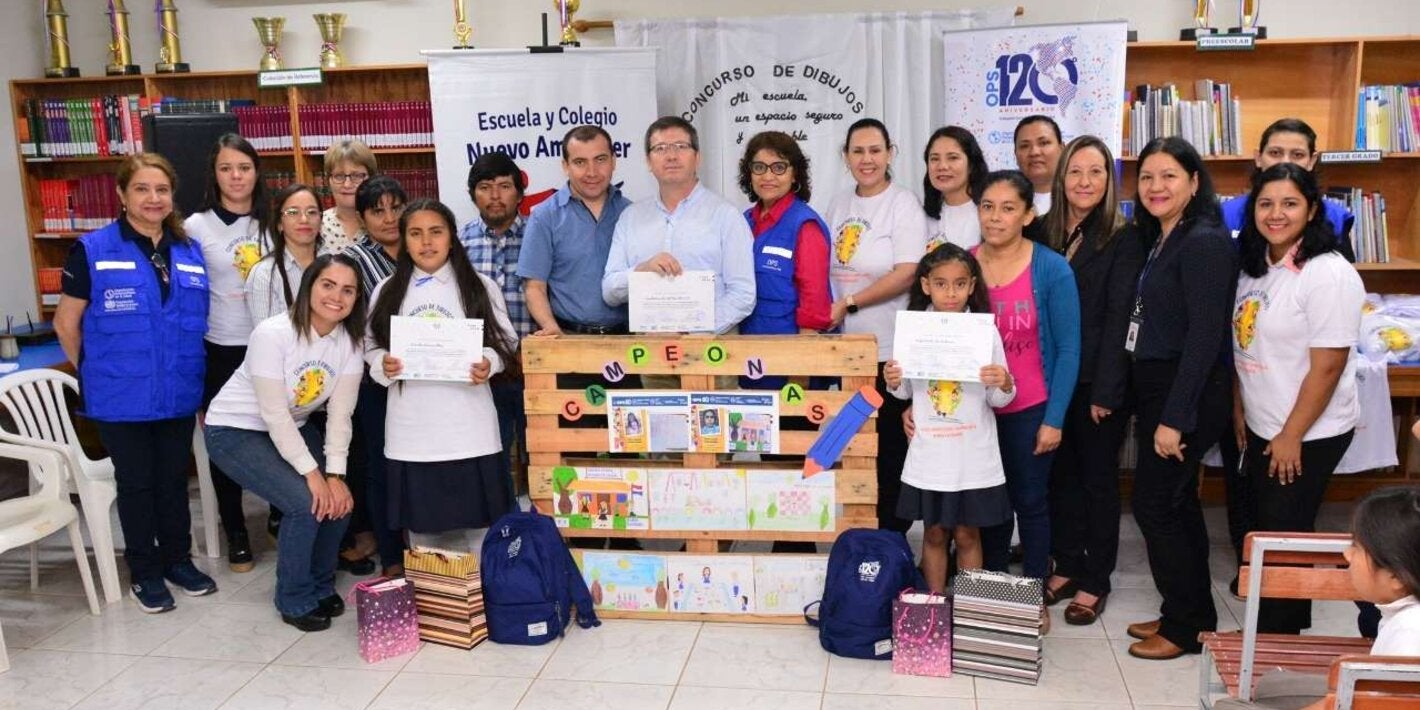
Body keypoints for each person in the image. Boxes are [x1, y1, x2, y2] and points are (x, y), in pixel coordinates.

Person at [53, 152, 217, 612]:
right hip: (120, 397)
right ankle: (145, 572)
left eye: (161, 190)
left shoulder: (187, 250)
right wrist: (96, 373)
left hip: (178, 392)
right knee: (137, 485)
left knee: (172, 482)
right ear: (122, 195)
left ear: (172, 196)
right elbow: (67, 323)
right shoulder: (94, 249)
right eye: (142, 189)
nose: (153, 198)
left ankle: (178, 561)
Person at [1217, 117, 1357, 596]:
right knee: (1263, 533)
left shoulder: (1327, 273)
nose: (1276, 214)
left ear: (1313, 209)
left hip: (1304, 434)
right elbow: (1244, 343)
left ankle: (1277, 642)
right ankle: (1267, 630)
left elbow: (1329, 365)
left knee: (1284, 540)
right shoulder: (1258, 266)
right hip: (1260, 423)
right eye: (1266, 203)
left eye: (1290, 204)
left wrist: (1291, 435)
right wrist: (1240, 407)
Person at [204, 254, 364, 631]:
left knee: (338, 501)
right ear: (310, 285)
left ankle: (321, 585)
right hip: (235, 429)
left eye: (348, 290)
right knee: (304, 503)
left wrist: (336, 474)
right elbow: (273, 413)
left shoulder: (349, 342)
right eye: (328, 285)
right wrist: (313, 475)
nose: (336, 297)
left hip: (293, 425)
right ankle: (293, 598)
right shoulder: (273, 333)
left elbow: (341, 414)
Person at [1124, 136, 1237, 661]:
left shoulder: (1206, 242)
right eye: (1147, 177)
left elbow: (1204, 339)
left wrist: (1175, 418)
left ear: (1194, 182)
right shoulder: (1164, 237)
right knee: (1176, 503)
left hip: (1184, 392)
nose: (1156, 186)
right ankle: (1187, 612)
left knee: (1157, 505)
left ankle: (1186, 626)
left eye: (1169, 176)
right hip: (1160, 388)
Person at [365, 198, 519, 553]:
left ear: (452, 237)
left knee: (482, 526)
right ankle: (435, 602)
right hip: (413, 432)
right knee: (422, 529)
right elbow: (369, 347)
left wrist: (488, 362)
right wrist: (382, 364)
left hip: (470, 428)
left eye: (436, 232)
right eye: (416, 234)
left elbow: (507, 341)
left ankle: (484, 599)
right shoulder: (388, 290)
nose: (427, 242)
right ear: (404, 240)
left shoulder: (479, 285)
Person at [1040, 136, 1144, 626]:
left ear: (1110, 179)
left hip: (1098, 382)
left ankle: (1095, 579)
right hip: (1051, 378)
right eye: (1075, 171)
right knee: (1059, 479)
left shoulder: (1124, 237)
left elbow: (1123, 314)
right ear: (1061, 178)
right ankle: (1067, 562)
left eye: (1096, 171)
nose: (1085, 181)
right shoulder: (1043, 230)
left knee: (1098, 482)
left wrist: (1108, 388)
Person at [970, 171, 1080, 598]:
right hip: (976, 411)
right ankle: (997, 598)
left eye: (1008, 208)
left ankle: (1033, 597)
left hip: (1031, 408)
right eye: (987, 207)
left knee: (1030, 504)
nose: (995, 218)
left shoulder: (1051, 269)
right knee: (989, 507)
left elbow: (1070, 350)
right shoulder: (962, 264)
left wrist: (1054, 419)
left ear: (1029, 215)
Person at [1212, 486, 1420, 710]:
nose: (1347, 554)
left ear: (1396, 576)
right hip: (1367, 694)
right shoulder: (1401, 611)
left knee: (1229, 707)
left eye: (1357, 548)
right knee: (1274, 686)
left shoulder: (1408, 637)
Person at [884, 243, 1014, 593]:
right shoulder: (914, 331)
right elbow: (905, 393)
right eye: (941, 284)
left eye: (959, 284)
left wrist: (1003, 381)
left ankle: (970, 612)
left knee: (968, 532)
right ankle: (934, 608)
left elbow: (1000, 398)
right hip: (932, 454)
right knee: (935, 531)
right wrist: (893, 380)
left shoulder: (985, 333)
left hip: (972, 453)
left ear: (972, 286)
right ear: (926, 285)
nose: (951, 292)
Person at [825, 118, 929, 534]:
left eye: (875, 150)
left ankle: (891, 538)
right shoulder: (836, 204)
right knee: (852, 445)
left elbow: (908, 273)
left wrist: (849, 302)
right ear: (846, 157)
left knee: (889, 450)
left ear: (890, 154)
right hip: (844, 354)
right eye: (858, 151)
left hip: (887, 351)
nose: (866, 159)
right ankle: (860, 534)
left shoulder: (902, 204)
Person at [185, 133, 270, 573]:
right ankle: (236, 530)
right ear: (214, 175)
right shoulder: (195, 226)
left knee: (281, 430)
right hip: (221, 348)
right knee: (224, 441)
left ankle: (279, 511)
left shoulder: (272, 219)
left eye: (244, 167)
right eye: (226, 168)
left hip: (272, 345)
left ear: (256, 172)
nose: (236, 176)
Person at [602, 116, 756, 343]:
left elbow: (743, 294)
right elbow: (609, 290)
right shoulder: (630, 218)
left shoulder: (726, 216)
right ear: (648, 161)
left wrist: (691, 331)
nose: (671, 156)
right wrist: (641, 270)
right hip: (650, 351)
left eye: (681, 147)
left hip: (712, 349)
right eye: (660, 148)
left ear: (698, 157)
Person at [459, 152, 530, 507]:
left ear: (519, 191)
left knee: (540, 452)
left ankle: (545, 531)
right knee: (493, 455)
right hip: (484, 370)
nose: (495, 195)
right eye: (485, 188)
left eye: (504, 186)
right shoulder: (459, 241)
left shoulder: (538, 234)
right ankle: (505, 529)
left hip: (534, 367)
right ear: (474, 195)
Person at [519, 125, 633, 338]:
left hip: (628, 342)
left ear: (614, 161)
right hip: (568, 339)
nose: (592, 172)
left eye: (600, 159)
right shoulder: (545, 217)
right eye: (580, 162)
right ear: (565, 166)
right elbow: (534, 287)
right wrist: (551, 327)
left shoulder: (631, 213)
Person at [349, 175, 407, 577]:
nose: (388, 218)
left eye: (395, 207)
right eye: (377, 210)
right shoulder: (354, 259)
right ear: (363, 217)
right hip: (376, 381)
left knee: (418, 465)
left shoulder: (425, 247)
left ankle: (427, 549)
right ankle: (391, 556)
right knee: (382, 468)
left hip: (425, 379)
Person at [735, 130, 833, 339]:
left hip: (788, 351)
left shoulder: (805, 226)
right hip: (744, 345)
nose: (768, 176)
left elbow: (814, 302)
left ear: (794, 173)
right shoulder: (743, 222)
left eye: (779, 167)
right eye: (759, 167)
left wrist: (801, 368)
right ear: (749, 173)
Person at [1220, 118, 1355, 260]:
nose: (1285, 162)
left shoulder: (1335, 216)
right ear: (1258, 158)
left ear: (1311, 161)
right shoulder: (1225, 214)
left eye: (1297, 155)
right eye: (1275, 153)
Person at [246, 184, 323, 324]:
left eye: (312, 212)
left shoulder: (334, 265)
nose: (304, 219)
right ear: (279, 224)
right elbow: (268, 337)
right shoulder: (265, 273)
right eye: (293, 212)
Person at [922, 126, 989, 250]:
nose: (942, 166)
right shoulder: (921, 215)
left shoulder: (989, 212)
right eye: (935, 159)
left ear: (972, 165)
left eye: (953, 158)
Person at [320, 138, 377, 255]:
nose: (347, 184)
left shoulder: (385, 224)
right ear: (328, 180)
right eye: (339, 176)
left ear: (371, 178)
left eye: (356, 175)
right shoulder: (317, 225)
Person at [1014, 115, 1064, 216]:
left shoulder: (1079, 199)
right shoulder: (1004, 200)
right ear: (1015, 153)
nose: (1034, 152)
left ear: (1062, 149)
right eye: (1025, 146)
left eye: (1044, 143)